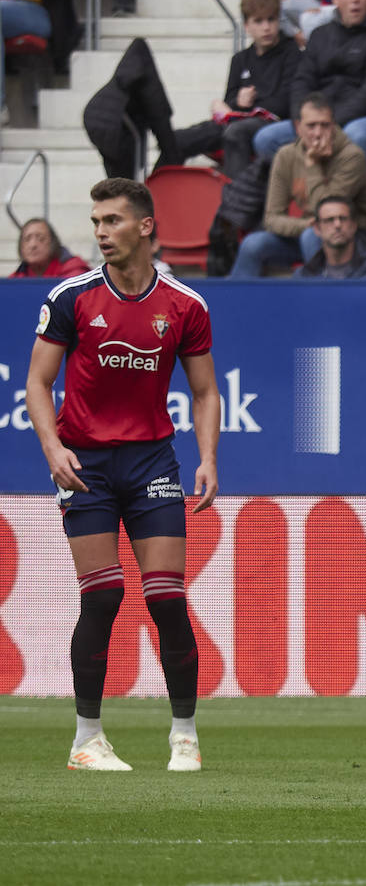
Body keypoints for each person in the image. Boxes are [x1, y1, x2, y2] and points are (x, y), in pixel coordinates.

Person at [26, 178, 219, 773]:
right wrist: (53, 447)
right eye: (96, 221)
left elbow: (206, 390)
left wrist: (208, 456)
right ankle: (87, 740)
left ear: (145, 226)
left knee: (167, 599)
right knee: (104, 595)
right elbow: (38, 383)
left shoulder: (185, 305)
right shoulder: (71, 297)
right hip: (85, 463)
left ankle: (184, 736)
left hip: (152, 462)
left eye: (112, 220)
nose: (101, 232)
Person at [253, 0, 366, 169]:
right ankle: (308, 192)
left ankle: (361, 197)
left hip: (365, 117)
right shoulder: (320, 35)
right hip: (319, 117)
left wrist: (329, 123)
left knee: (357, 135)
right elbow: (302, 81)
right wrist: (303, 119)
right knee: (266, 139)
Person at [229, 94, 366, 279]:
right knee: (253, 244)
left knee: (311, 237)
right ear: (298, 127)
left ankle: (322, 300)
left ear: (334, 125)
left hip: (351, 237)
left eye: (325, 125)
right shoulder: (286, 156)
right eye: (311, 126)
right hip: (309, 231)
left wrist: (313, 165)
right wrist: (307, 225)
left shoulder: (352, 157)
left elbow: (327, 211)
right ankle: (239, 305)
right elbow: (272, 218)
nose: (318, 133)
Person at [171, 0, 301, 179]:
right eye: (259, 21)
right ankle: (156, 199)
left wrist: (245, 108)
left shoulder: (292, 53)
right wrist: (238, 102)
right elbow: (229, 101)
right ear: (247, 26)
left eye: (271, 20)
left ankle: (238, 203)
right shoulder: (240, 59)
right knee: (176, 139)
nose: (266, 27)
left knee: (235, 133)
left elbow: (286, 101)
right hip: (237, 119)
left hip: (272, 122)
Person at [299, 195, 366, 278]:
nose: (337, 225)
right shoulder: (305, 274)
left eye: (343, 219)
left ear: (354, 225)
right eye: (329, 220)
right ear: (317, 228)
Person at [10, 218, 90, 278]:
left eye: (41, 238)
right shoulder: (13, 281)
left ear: (53, 243)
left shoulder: (75, 273)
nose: (33, 245)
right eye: (27, 239)